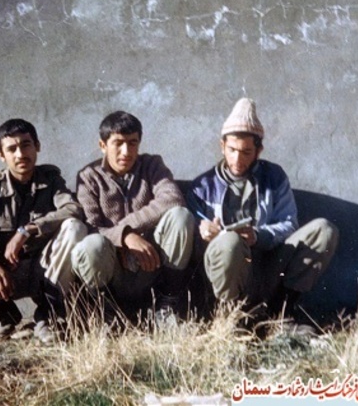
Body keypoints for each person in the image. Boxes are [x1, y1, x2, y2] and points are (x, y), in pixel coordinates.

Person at [187, 98, 338, 329]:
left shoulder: (274, 177)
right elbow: (194, 229)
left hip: (266, 268)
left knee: (323, 230)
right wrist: (205, 232)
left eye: (246, 152)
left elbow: (289, 224)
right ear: (222, 145)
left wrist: (258, 236)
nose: (237, 159)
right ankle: (230, 319)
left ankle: (280, 314)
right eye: (232, 150)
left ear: (259, 151)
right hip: (222, 275)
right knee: (229, 242)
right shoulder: (203, 186)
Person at [0, 118, 87, 341]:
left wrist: (27, 230)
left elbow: (73, 209)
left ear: (37, 146)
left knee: (74, 227)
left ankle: (48, 316)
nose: (20, 154)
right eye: (12, 149)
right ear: (1, 155)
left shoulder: (51, 179)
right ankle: (6, 314)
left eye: (26, 145)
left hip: (45, 272)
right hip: (6, 276)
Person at [71, 111, 195, 325]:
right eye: (118, 143)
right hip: (114, 271)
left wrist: (129, 228)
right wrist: (125, 236)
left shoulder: (152, 165)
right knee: (91, 245)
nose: (126, 151)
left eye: (132, 143)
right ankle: (107, 313)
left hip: (151, 265)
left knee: (180, 217)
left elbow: (172, 199)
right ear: (103, 145)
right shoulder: (89, 177)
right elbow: (91, 226)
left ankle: (167, 304)